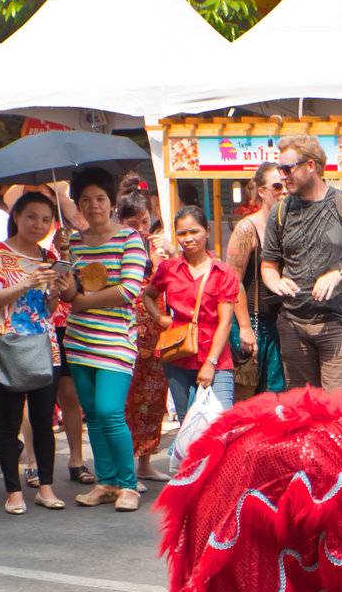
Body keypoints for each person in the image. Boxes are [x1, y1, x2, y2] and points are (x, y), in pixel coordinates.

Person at [260, 133, 342, 394]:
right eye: (280, 169)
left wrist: (340, 275)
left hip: (336, 325)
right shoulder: (280, 211)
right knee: (303, 415)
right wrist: (276, 282)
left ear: (311, 165)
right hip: (293, 325)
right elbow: (268, 264)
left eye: (288, 168)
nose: (283, 176)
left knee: (340, 414)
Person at [60, 166, 147, 511]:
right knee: (93, 414)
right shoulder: (75, 243)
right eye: (86, 199)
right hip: (79, 339)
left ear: (111, 202)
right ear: (78, 205)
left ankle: (128, 485)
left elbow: (128, 290)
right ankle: (106, 480)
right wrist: (64, 268)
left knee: (111, 411)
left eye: (100, 198)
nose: (93, 205)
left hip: (116, 340)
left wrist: (83, 301)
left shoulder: (129, 238)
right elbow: (68, 293)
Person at [0, 190, 65, 515]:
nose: (38, 224)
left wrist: (55, 290)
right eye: (31, 217)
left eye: (45, 219)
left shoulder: (49, 256)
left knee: (44, 422)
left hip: (45, 346)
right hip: (8, 345)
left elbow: (49, 307)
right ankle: (13, 491)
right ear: (16, 216)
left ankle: (45, 486)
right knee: (8, 422)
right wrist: (28, 282)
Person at [143, 205, 241, 420]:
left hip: (216, 358)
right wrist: (160, 318)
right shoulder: (169, 269)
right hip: (178, 355)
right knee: (188, 424)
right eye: (182, 233)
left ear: (206, 230)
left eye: (194, 231)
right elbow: (147, 295)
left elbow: (225, 323)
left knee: (219, 422)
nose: (188, 238)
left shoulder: (223, 273)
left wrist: (210, 363)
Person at [118, 190, 171, 485]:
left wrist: (165, 257)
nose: (140, 228)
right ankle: (124, 466)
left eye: (144, 221)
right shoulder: (119, 250)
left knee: (153, 401)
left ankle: (145, 462)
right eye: (133, 222)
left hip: (157, 337)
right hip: (125, 336)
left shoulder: (157, 251)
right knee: (125, 403)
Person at [224, 163, 286, 397]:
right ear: (262, 191)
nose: (283, 191)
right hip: (252, 321)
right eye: (277, 186)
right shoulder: (246, 228)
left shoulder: (288, 225)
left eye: (285, 185)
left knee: (275, 398)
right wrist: (245, 327)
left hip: (279, 324)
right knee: (246, 396)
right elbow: (233, 280)